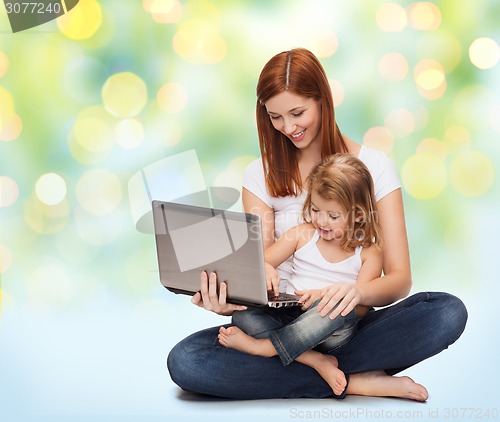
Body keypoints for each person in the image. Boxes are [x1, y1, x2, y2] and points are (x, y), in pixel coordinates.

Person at [167, 48, 467, 401]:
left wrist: (355, 293)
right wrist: (226, 296)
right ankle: (349, 378)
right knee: (186, 361)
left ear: (323, 100)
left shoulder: (376, 167)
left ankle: (299, 363)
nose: (288, 127)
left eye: (297, 113)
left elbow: (399, 279)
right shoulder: (259, 175)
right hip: (277, 318)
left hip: (344, 319)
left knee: (446, 312)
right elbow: (261, 268)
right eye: (275, 117)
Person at [218, 153, 384, 397]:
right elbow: (259, 263)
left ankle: (264, 348)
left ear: (358, 215)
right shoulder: (302, 234)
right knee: (244, 316)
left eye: (333, 216)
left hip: (330, 329)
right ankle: (315, 361)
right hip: (290, 317)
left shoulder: (368, 253)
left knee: (343, 309)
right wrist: (266, 269)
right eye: (316, 210)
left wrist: (322, 299)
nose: (321, 221)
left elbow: (360, 308)